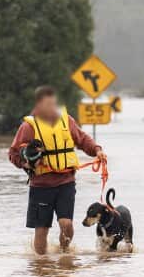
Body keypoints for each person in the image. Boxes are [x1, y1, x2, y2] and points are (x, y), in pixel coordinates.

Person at [9, 86, 105, 255]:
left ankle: (64, 256)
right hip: (40, 186)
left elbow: (82, 140)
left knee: (66, 224)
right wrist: (25, 164)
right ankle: (41, 266)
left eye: (53, 103)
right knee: (41, 230)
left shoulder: (66, 120)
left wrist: (97, 150)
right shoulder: (28, 127)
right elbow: (13, 153)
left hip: (66, 183)